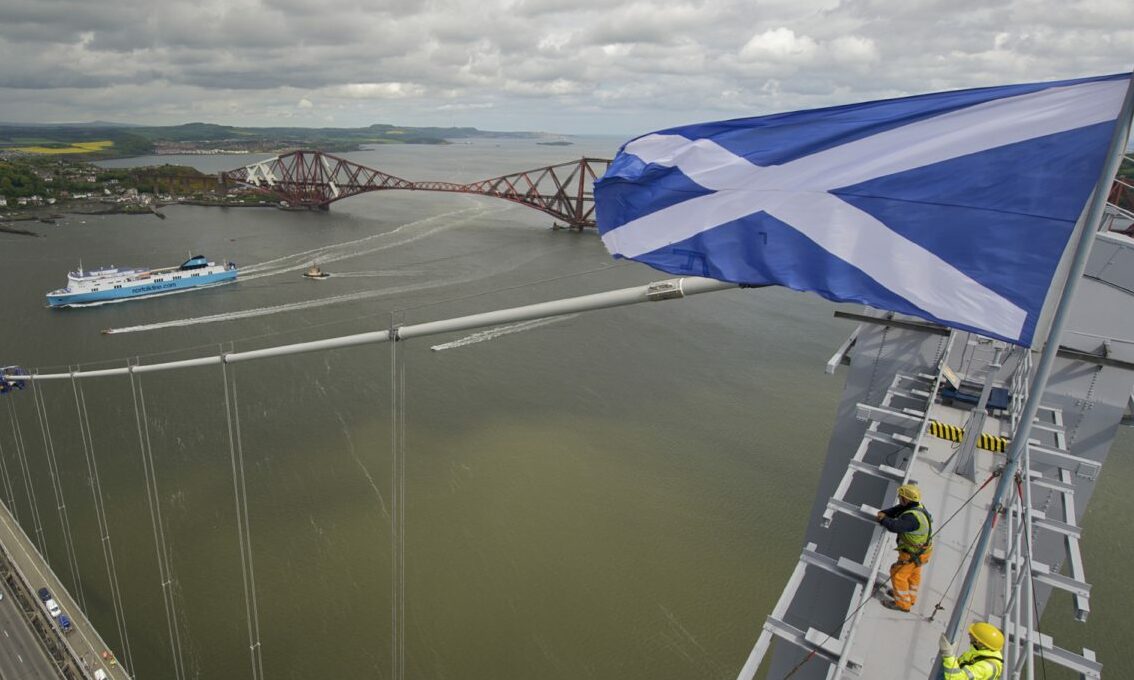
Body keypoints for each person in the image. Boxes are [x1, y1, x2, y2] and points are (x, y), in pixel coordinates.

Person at [875, 483, 932, 611]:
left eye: (901, 497)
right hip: (922, 552)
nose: (900, 499)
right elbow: (896, 510)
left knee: (897, 574)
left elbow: (895, 526)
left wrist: (883, 520)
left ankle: (902, 604)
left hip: (912, 553)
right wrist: (884, 513)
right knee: (913, 574)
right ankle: (910, 598)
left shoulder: (912, 518)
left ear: (906, 499)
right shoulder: (917, 508)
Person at [939, 622, 1004, 679]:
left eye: (972, 635)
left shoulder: (986, 667)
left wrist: (948, 655)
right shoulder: (982, 649)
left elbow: (957, 678)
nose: (969, 634)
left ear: (977, 642)